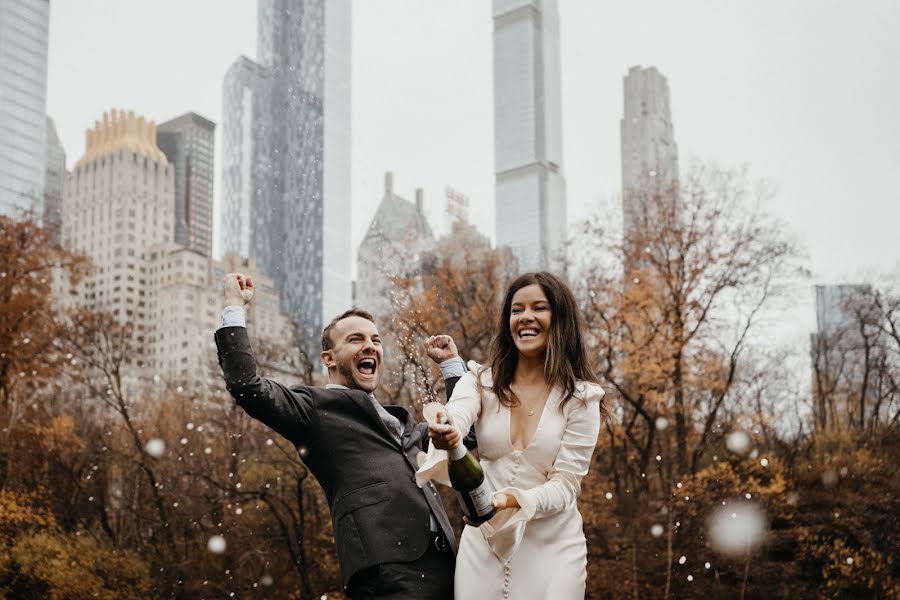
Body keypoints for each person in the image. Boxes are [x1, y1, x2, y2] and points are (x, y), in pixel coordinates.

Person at [215, 273, 467, 599]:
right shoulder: (315, 410)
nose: (370, 346)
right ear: (329, 359)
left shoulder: (404, 425)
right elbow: (248, 387)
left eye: (376, 340)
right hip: (387, 571)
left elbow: (463, 437)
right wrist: (234, 306)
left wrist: (451, 367)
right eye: (356, 339)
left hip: (447, 566)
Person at [417, 272, 605, 599]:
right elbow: (458, 415)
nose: (526, 317)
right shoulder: (480, 381)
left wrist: (513, 500)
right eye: (517, 310)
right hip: (484, 542)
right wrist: (446, 430)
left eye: (539, 308)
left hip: (554, 547)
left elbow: (566, 484)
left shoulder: (582, 399)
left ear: (560, 319)